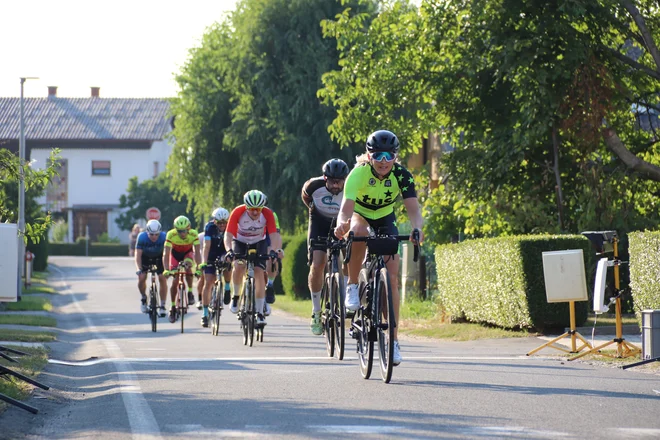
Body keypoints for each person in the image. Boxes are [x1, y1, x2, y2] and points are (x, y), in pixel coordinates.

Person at [334, 130, 424, 366]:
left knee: (392, 276)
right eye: (378, 155)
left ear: (395, 156)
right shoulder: (358, 173)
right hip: (360, 215)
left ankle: (393, 341)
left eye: (389, 156)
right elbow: (346, 207)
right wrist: (342, 224)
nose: (384, 161)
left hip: (385, 217)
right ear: (369, 155)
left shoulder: (402, 175)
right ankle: (353, 285)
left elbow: (414, 210)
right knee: (359, 233)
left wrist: (417, 229)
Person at [301, 158, 349, 335]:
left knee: (351, 255)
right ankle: (315, 311)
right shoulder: (312, 186)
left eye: (339, 181)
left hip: (342, 222)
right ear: (325, 178)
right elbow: (306, 199)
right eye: (331, 181)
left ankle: (346, 295)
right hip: (319, 221)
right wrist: (317, 211)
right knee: (318, 263)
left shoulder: (352, 186)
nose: (336, 185)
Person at [224, 190, 284, 327]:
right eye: (252, 209)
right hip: (240, 241)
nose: (255, 213)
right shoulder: (238, 212)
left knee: (258, 272)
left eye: (258, 209)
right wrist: (229, 250)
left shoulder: (267, 213)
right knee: (239, 266)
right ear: (246, 207)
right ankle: (236, 296)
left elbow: (274, 235)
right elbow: (228, 235)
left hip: (259, 242)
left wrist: (274, 251)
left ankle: (260, 312)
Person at [162, 215, 202, 323]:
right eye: (180, 231)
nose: (182, 233)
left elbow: (197, 253)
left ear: (188, 228)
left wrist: (198, 268)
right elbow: (166, 254)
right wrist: (166, 269)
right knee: (175, 281)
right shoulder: (171, 234)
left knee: (188, 267)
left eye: (184, 231)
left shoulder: (194, 234)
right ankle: (173, 306)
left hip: (187, 254)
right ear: (176, 230)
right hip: (175, 255)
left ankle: (189, 291)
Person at [197, 207, 232, 328]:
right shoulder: (209, 227)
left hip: (224, 251)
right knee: (208, 282)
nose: (222, 225)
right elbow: (206, 246)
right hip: (211, 253)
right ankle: (205, 313)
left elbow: (232, 243)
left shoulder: (231, 226)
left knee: (228, 263)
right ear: (214, 221)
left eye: (224, 222)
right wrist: (203, 262)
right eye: (219, 222)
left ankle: (227, 287)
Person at [134, 220, 168, 318]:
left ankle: (162, 305)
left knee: (162, 278)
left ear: (160, 233)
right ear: (147, 232)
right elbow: (138, 255)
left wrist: (167, 268)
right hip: (145, 258)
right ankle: (144, 298)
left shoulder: (164, 237)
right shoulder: (142, 237)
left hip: (160, 258)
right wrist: (138, 268)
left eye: (156, 234)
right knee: (141, 277)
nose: (154, 237)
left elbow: (168, 254)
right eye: (151, 234)